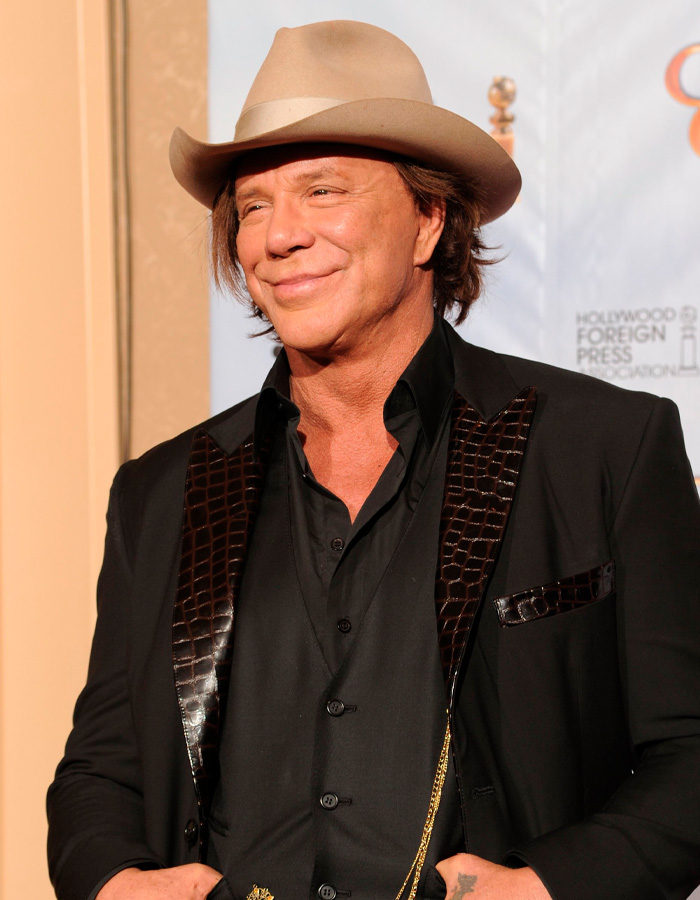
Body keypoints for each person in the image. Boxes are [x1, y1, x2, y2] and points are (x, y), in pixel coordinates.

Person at [47, 19, 700, 900]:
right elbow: (101, 768)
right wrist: (114, 881)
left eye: (322, 191)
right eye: (252, 206)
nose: (278, 237)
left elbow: (689, 754)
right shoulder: (160, 492)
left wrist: (548, 886)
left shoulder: (604, 447)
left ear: (430, 219)